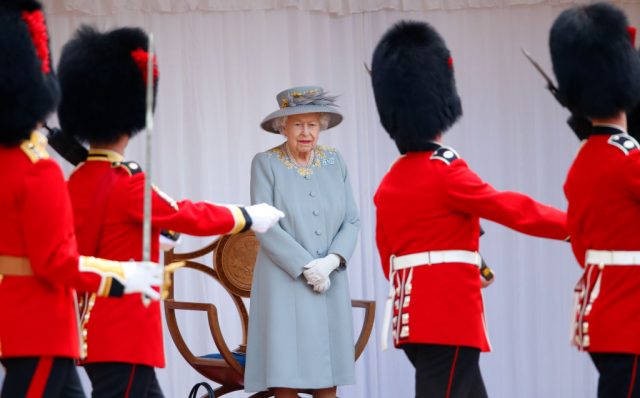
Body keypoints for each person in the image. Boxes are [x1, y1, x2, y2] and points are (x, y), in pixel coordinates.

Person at [56, 26, 284, 397]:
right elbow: (185, 215)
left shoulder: (78, 181)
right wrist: (248, 215)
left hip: (93, 329)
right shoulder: (127, 182)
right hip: (124, 333)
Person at [370, 21, 569, 397]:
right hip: (447, 315)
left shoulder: (390, 181)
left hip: (411, 318)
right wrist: (576, 225)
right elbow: (510, 208)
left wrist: (471, 263)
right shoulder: (446, 171)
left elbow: (391, 255)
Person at [0, 2, 162, 397]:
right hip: (41, 328)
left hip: (23, 323)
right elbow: (56, 261)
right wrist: (124, 277)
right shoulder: (37, 169)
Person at [548, 3, 640, 397]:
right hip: (631, 316)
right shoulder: (627, 158)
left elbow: (581, 239)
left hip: (603, 313)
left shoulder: (584, 161)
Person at [244, 86, 360, 398]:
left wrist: (331, 262)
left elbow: (352, 219)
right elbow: (264, 224)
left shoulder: (335, 161)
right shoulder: (265, 163)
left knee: (327, 379)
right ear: (283, 127)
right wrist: (307, 266)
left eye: (311, 124)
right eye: (297, 124)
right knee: (286, 377)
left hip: (330, 281)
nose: (305, 132)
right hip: (284, 282)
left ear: (321, 126)